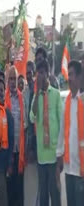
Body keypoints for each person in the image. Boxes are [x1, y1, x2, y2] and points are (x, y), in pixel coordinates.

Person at [30, 59, 62, 206]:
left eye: (42, 73)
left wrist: (61, 153)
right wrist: (37, 94)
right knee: (43, 196)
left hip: (54, 155)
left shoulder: (55, 95)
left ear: (48, 74)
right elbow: (32, 117)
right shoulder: (36, 96)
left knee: (54, 193)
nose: (40, 76)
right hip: (42, 155)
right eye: (38, 74)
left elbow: (61, 123)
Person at [56, 60, 84, 206]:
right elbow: (62, 132)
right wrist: (59, 155)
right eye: (69, 74)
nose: (70, 78)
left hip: (81, 171)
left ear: (79, 77)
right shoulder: (66, 102)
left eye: (72, 74)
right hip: (68, 169)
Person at [6, 66, 27, 206]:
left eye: (14, 78)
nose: (13, 82)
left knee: (19, 190)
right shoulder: (3, 98)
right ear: (7, 81)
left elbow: (24, 125)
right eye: (11, 79)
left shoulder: (21, 98)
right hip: (7, 151)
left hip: (19, 151)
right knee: (9, 190)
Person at [23, 61, 39, 206]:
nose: (28, 75)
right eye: (26, 73)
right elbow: (26, 121)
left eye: (30, 72)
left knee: (42, 184)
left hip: (41, 143)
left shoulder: (40, 90)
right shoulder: (25, 93)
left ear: (34, 73)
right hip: (30, 142)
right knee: (32, 185)